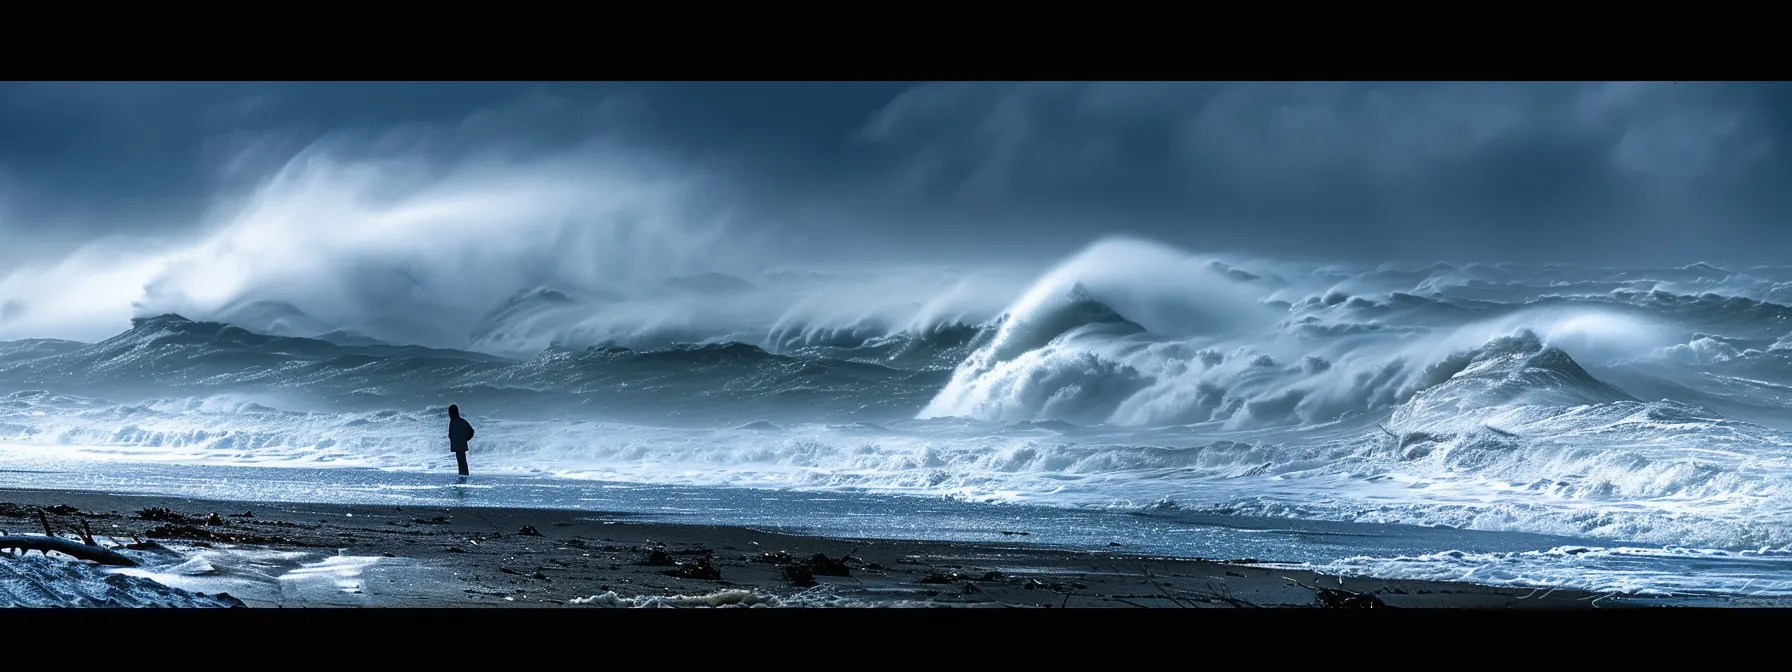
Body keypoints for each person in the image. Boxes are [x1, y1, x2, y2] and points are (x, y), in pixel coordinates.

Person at [448, 404, 476, 478]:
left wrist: (465, 439)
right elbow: (471, 431)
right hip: (461, 444)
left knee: (461, 461)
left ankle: (463, 475)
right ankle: (464, 474)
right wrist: (465, 440)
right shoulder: (461, 421)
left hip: (458, 444)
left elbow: (451, 434)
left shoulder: (454, 421)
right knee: (462, 460)